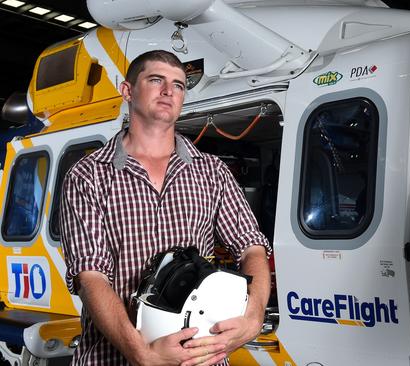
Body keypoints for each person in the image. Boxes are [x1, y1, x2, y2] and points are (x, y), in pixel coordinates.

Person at [60, 50, 272, 366]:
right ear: (128, 90)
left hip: (198, 356)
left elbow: (252, 248)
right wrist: (140, 353)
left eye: (178, 85)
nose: (168, 91)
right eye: (156, 80)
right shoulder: (88, 175)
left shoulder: (211, 172)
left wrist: (253, 318)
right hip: (112, 358)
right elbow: (91, 276)